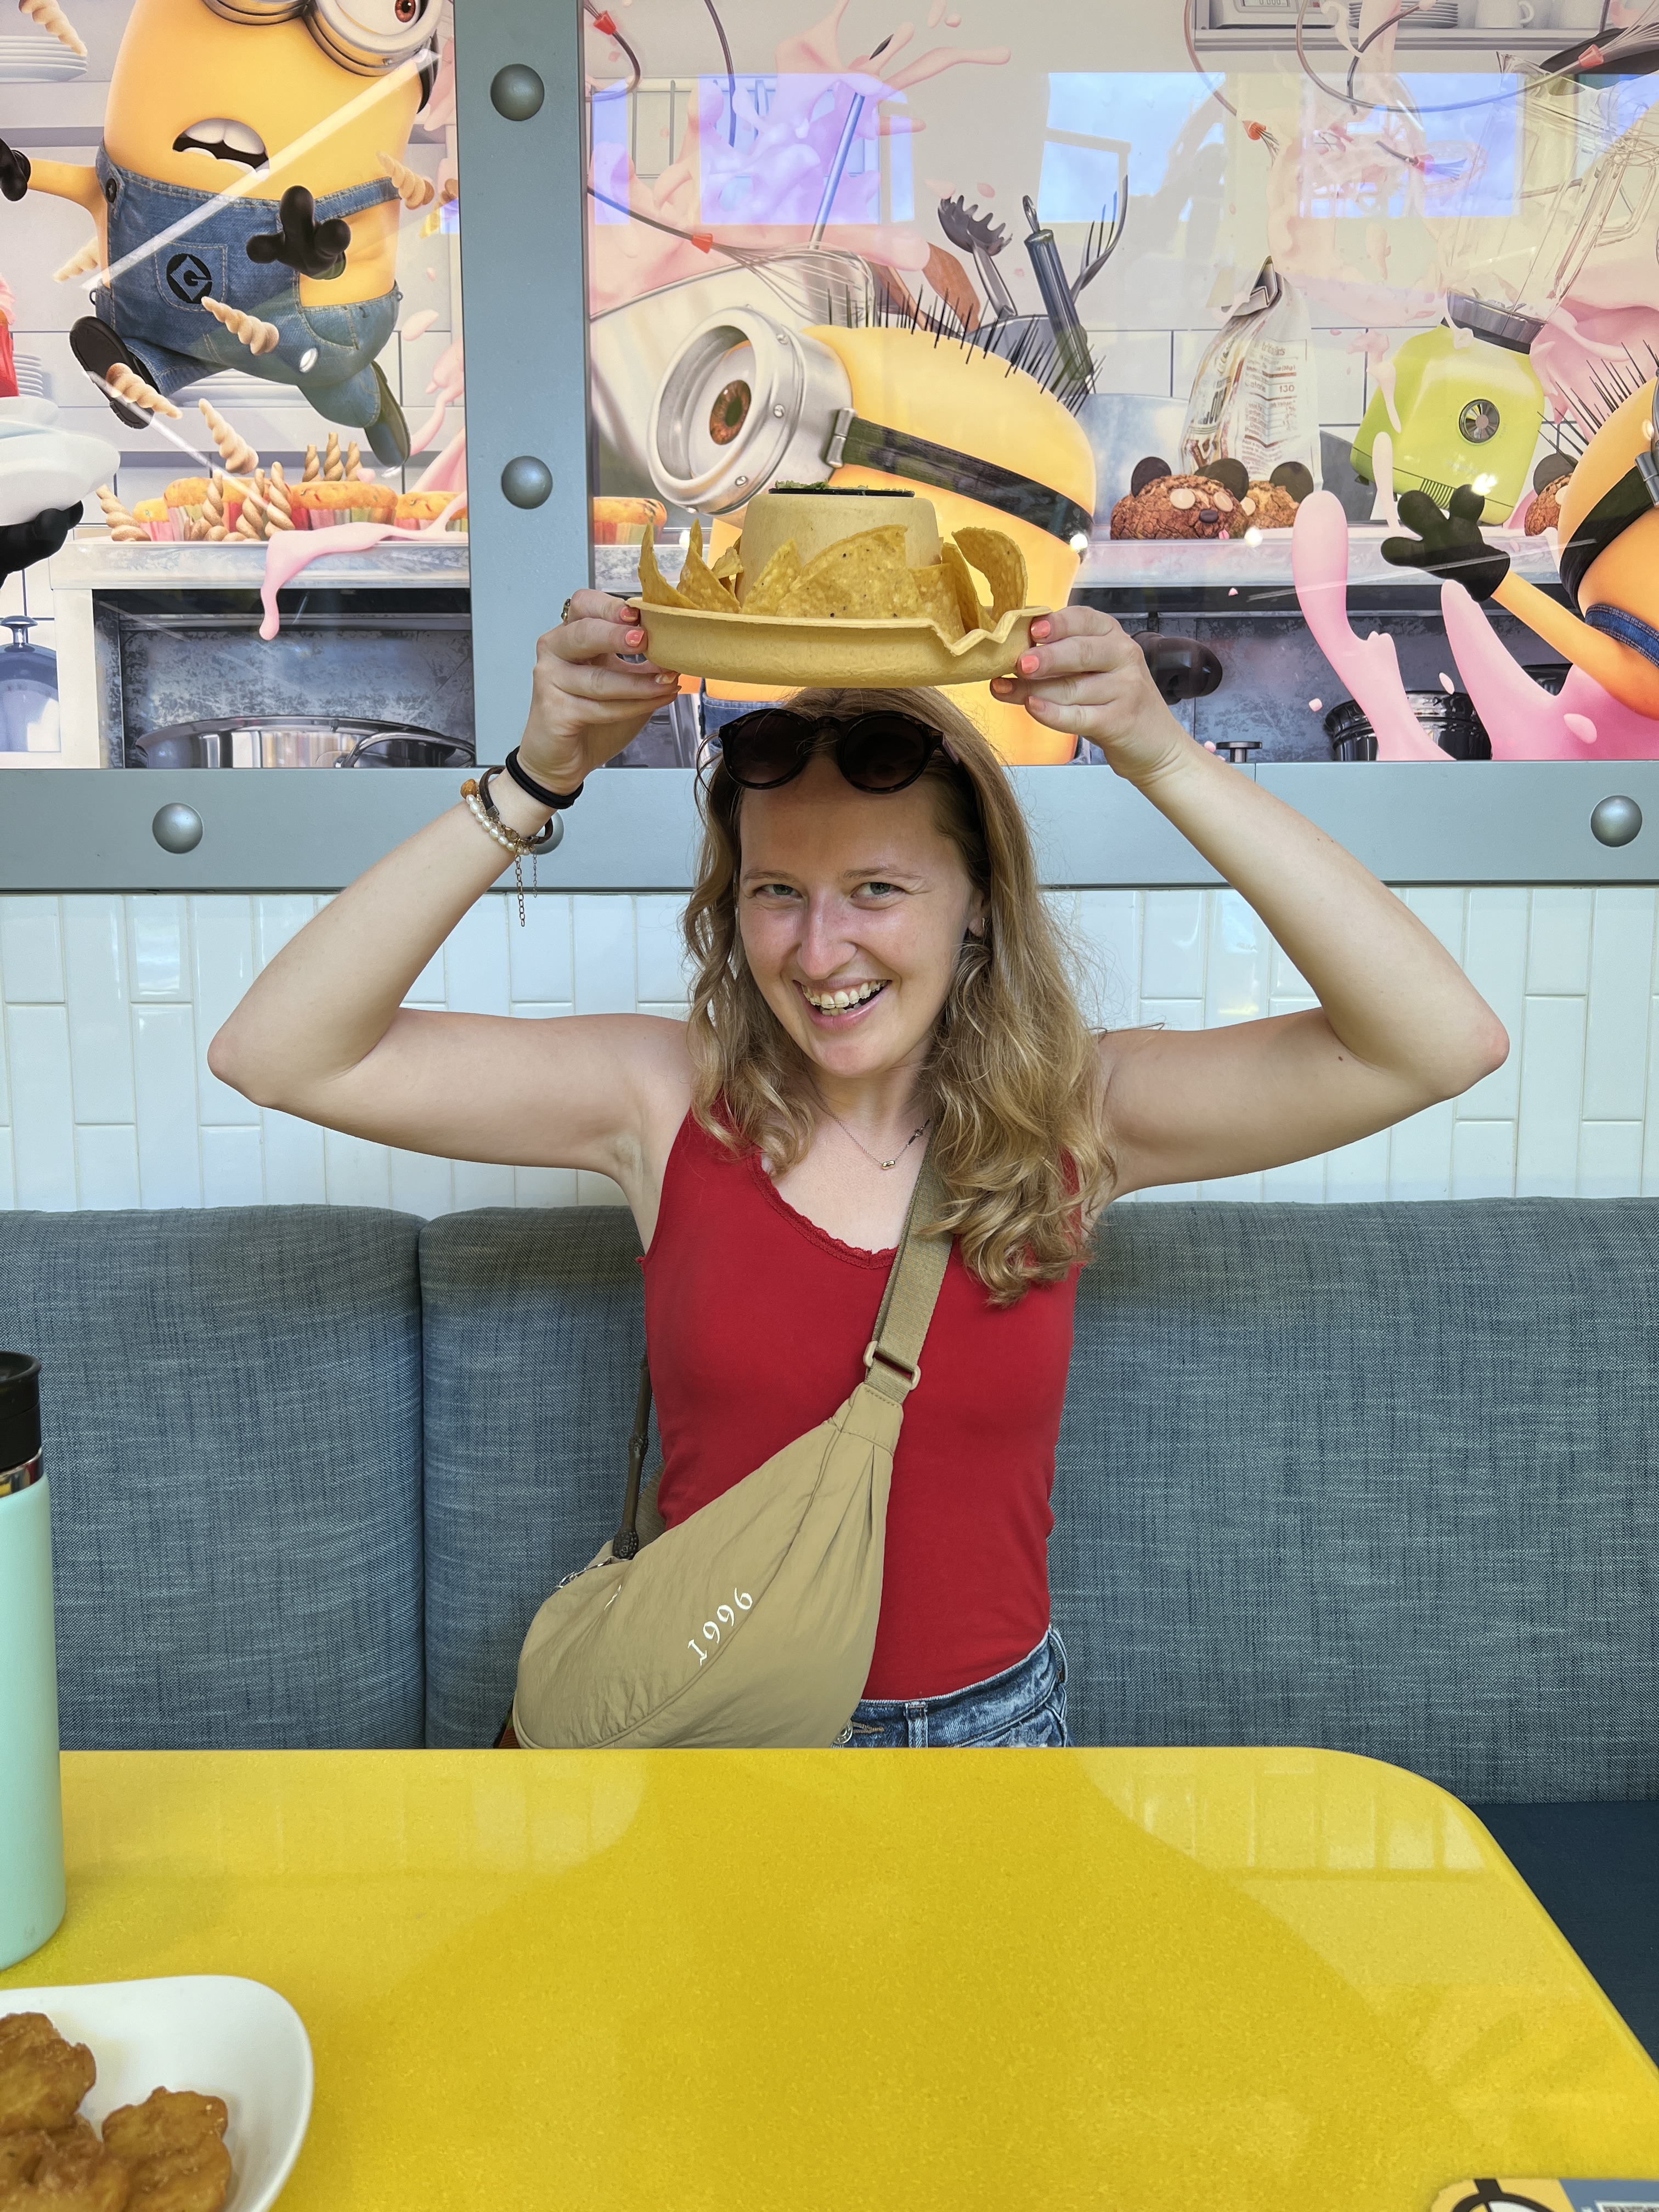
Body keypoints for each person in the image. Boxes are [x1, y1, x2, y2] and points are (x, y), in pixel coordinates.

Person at [208, 595, 1508, 1748]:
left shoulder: (1081, 1114)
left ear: (979, 899)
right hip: (719, 1731)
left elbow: (1439, 1044)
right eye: (777, 891)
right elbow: (280, 1055)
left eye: (877, 887)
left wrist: (1159, 755)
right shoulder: (664, 1101)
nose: (820, 950)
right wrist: (535, 778)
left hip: (990, 1746)